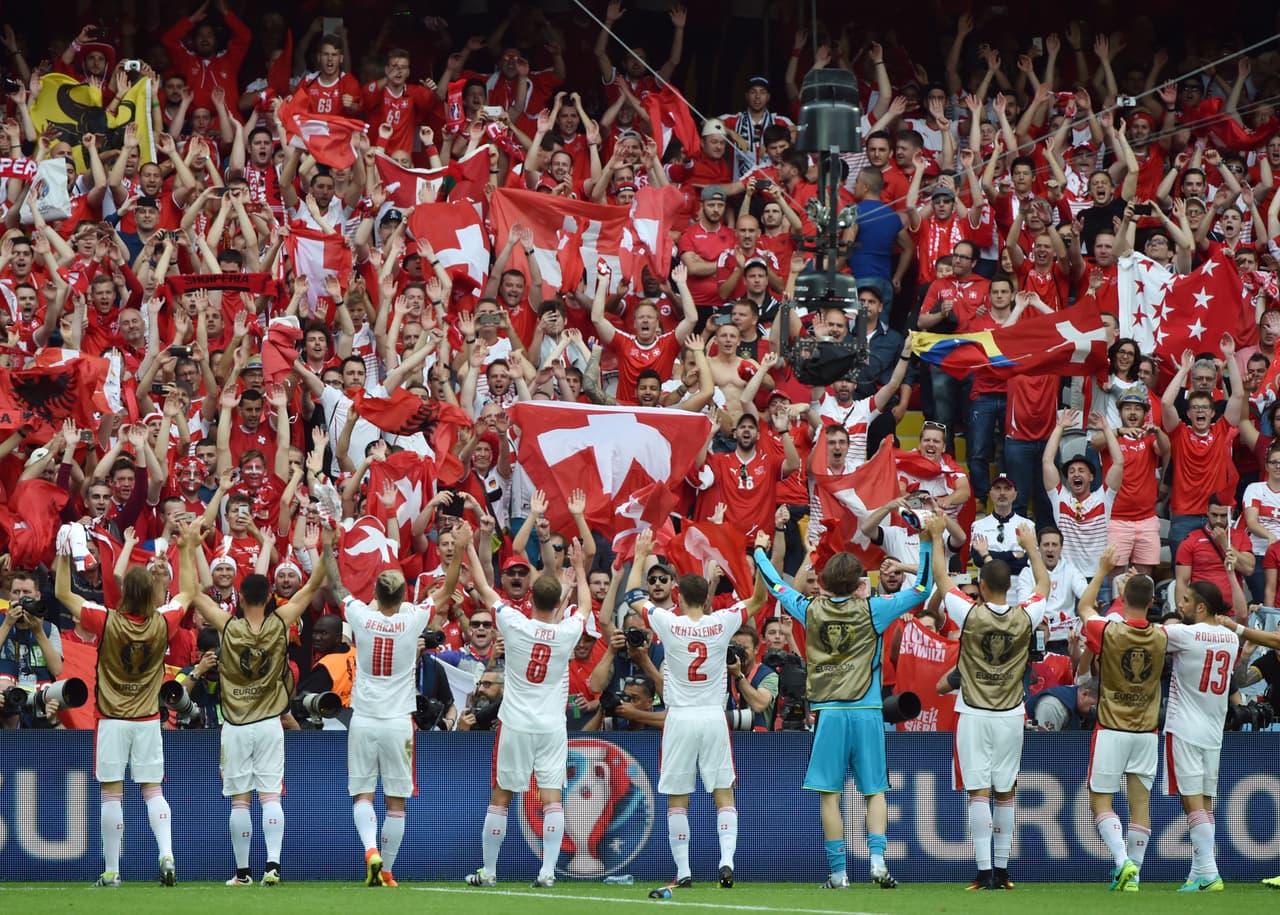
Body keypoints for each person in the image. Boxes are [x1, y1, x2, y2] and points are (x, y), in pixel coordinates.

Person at [754, 521, 936, 891]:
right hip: (868, 713)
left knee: (830, 796)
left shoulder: (810, 609)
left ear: (824, 582)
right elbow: (922, 587)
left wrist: (758, 551)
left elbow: (776, 586)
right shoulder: (874, 610)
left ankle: (838, 874)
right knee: (875, 792)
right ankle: (878, 862)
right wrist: (929, 543)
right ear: (857, 584)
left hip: (830, 715)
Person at [177, 522, 327, 887]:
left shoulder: (228, 627)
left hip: (236, 726)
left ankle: (242, 872)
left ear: (240, 599)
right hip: (270, 724)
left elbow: (192, 592)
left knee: (240, 801)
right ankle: (272, 867)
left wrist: (187, 548)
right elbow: (311, 588)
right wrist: (323, 549)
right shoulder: (281, 622)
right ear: (270, 597)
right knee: (271, 796)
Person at [320, 519, 464, 888]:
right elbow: (447, 589)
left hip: (364, 718)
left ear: (376, 594)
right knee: (396, 802)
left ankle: (370, 850)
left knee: (363, 793)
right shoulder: (414, 620)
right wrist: (459, 549)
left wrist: (328, 545)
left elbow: (336, 586)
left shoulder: (362, 617)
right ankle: (386, 871)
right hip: (400, 721)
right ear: (403, 597)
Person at [626, 529, 765, 894]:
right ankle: (727, 861)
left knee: (678, 798)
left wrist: (641, 555)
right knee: (723, 793)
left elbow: (632, 597)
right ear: (708, 597)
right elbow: (759, 599)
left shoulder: (669, 623)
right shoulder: (721, 622)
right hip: (713, 716)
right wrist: (760, 559)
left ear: (677, 595)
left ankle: (684, 870)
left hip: (680, 717)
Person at [54, 525, 191, 888]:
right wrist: (188, 548)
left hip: (112, 720)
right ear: (153, 594)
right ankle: (167, 853)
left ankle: (112, 871)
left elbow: (62, 593)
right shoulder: (163, 622)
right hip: (148, 720)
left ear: (123, 593)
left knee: (111, 794)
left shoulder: (106, 620)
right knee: (153, 791)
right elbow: (190, 592)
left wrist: (65, 553)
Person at [462, 534, 590, 889]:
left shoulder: (515, 625)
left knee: (501, 795)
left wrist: (471, 547)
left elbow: (487, 589)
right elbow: (586, 609)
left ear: (529, 597)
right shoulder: (566, 633)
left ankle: (488, 872)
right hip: (551, 726)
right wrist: (577, 571)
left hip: (516, 723)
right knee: (552, 798)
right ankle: (547, 871)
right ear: (557, 602)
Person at [929, 515, 1049, 891]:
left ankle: (983, 873)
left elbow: (942, 580)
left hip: (973, 711)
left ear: (980, 586)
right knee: (1006, 790)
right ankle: (1003, 870)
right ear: (1011, 586)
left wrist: (936, 537)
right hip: (1011, 713)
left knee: (978, 789)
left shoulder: (970, 613)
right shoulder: (1025, 616)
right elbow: (1044, 584)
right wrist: (1030, 546)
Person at [1077, 546, 1168, 892]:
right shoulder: (1161, 637)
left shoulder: (1109, 631)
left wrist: (1102, 570)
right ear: (1151, 604)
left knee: (1101, 799)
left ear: (1122, 597)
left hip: (1112, 728)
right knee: (1140, 805)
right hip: (1147, 731)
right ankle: (1135, 877)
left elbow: (1084, 607)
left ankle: (1122, 862)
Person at [1162, 579, 1239, 892]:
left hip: (1184, 727)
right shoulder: (1231, 638)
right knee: (1206, 803)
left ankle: (1209, 871)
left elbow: (1142, 635)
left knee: (1192, 803)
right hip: (1212, 731)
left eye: (1186, 600)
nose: (1181, 605)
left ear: (1201, 606)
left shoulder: (1184, 634)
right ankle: (1198, 872)